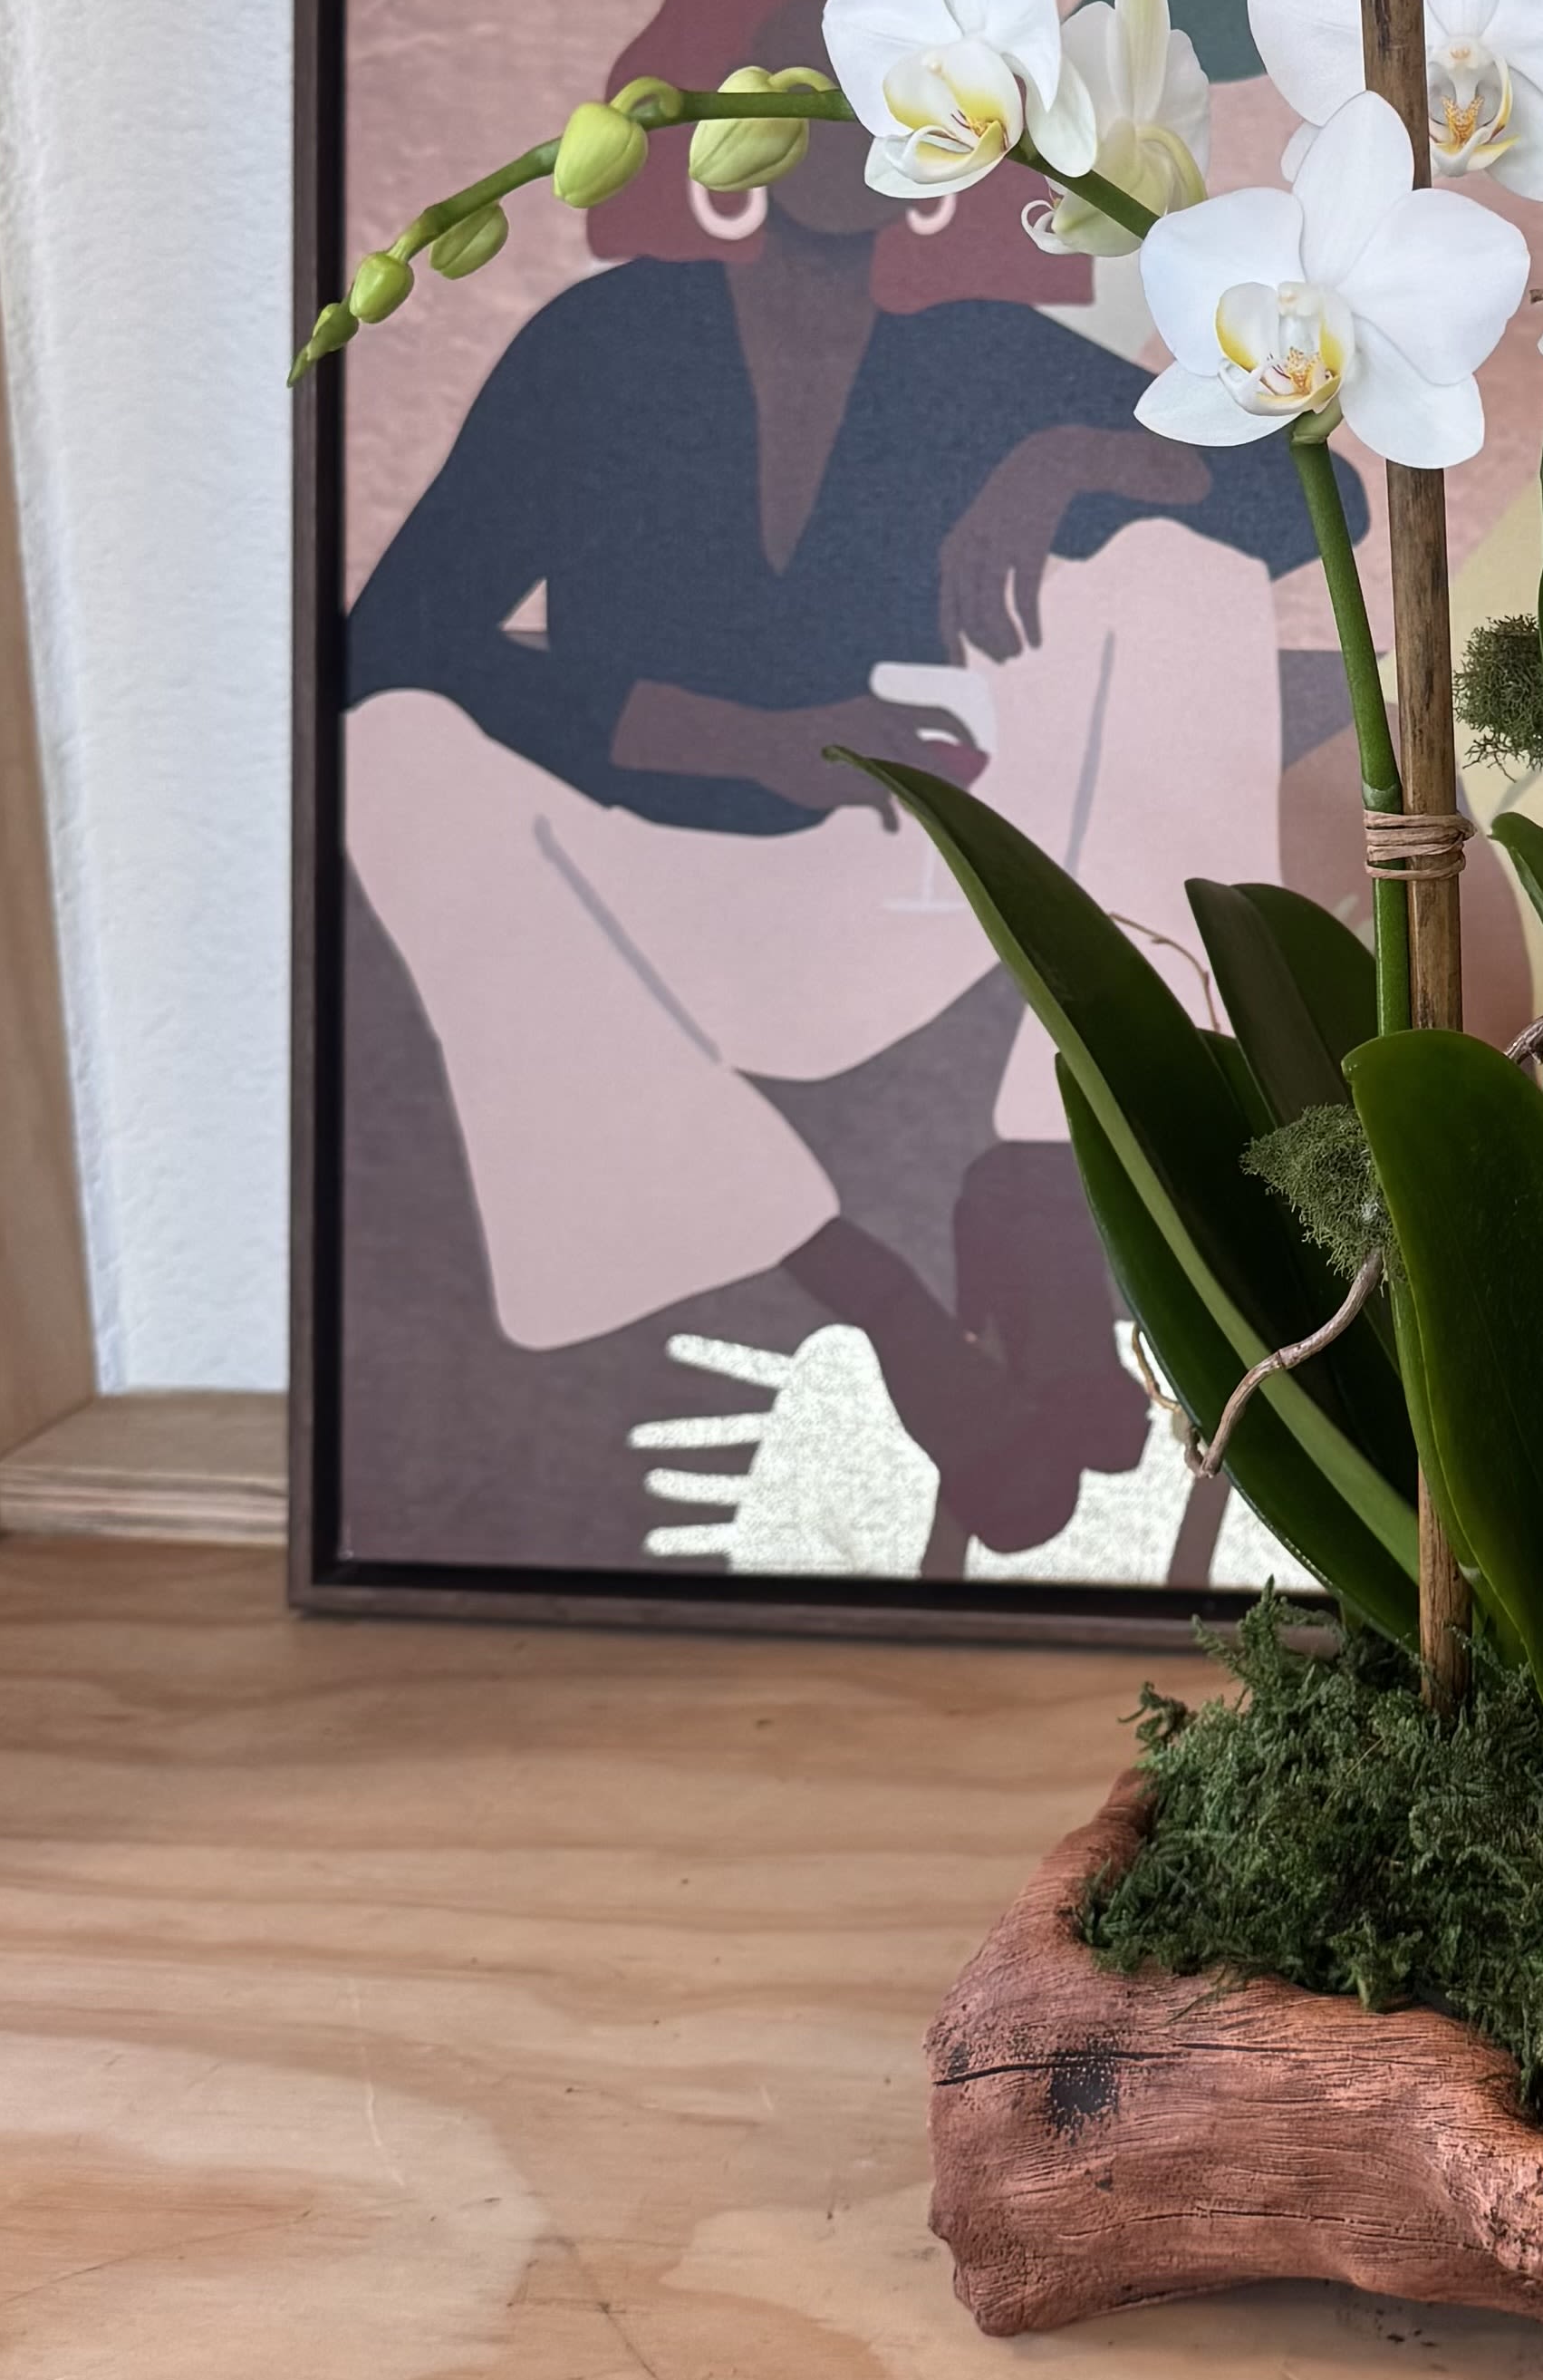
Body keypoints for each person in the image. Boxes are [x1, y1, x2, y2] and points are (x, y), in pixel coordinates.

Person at [343, 96, 1323, 1567]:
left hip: (921, 879)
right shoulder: (604, 345)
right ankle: (871, 1294)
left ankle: (1043, 1187)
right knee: (389, 753)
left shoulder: (981, 358)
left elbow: (1320, 495)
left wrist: (1070, 459)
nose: (828, 126)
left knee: (1184, 575)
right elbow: (388, 641)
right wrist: (729, 734)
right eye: (794, 77)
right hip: (645, 896)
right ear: (722, 127)